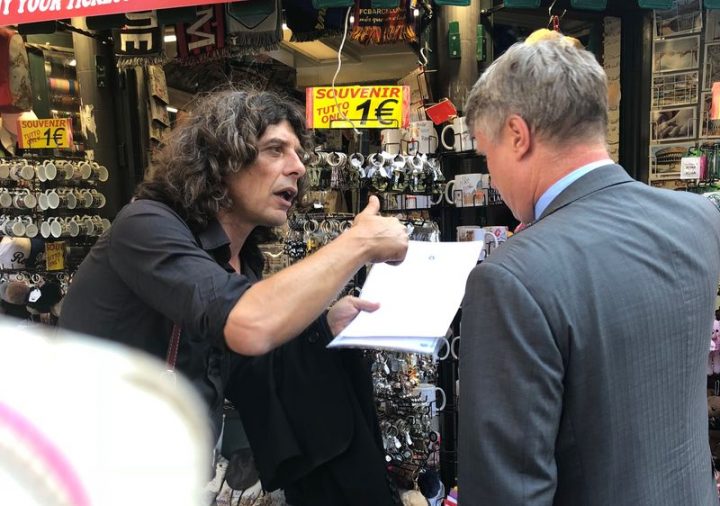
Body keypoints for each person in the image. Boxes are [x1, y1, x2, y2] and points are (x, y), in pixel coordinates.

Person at [59, 88, 408, 505]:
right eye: (275, 149)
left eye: (298, 154)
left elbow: (252, 367)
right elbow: (248, 324)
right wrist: (358, 244)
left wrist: (326, 325)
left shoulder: (243, 261)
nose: (297, 167)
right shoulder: (145, 225)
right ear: (222, 159)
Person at [458, 31, 720, 505]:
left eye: (486, 152)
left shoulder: (511, 278)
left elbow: (507, 491)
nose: (492, 176)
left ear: (517, 135)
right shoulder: (697, 219)